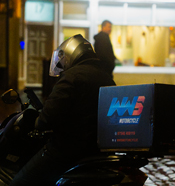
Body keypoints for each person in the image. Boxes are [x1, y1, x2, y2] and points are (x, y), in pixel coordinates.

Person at [9, 34, 116, 186]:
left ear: (73, 54)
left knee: (19, 182)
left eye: (64, 59)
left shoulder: (71, 77)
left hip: (67, 150)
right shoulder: (106, 78)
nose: (63, 64)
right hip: (96, 150)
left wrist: (37, 121)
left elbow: (46, 120)